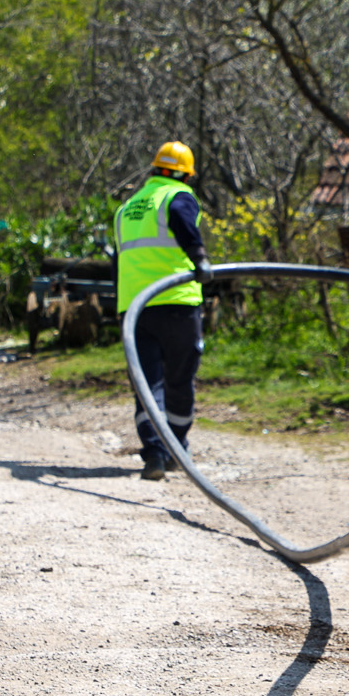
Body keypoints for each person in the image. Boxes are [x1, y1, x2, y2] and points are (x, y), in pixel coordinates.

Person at [117, 141, 213, 480]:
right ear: (185, 174)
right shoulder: (177, 196)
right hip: (177, 302)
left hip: (134, 308)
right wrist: (200, 258)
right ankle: (177, 448)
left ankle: (155, 454)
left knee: (147, 383)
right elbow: (185, 225)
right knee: (179, 380)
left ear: (155, 169)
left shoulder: (128, 206)